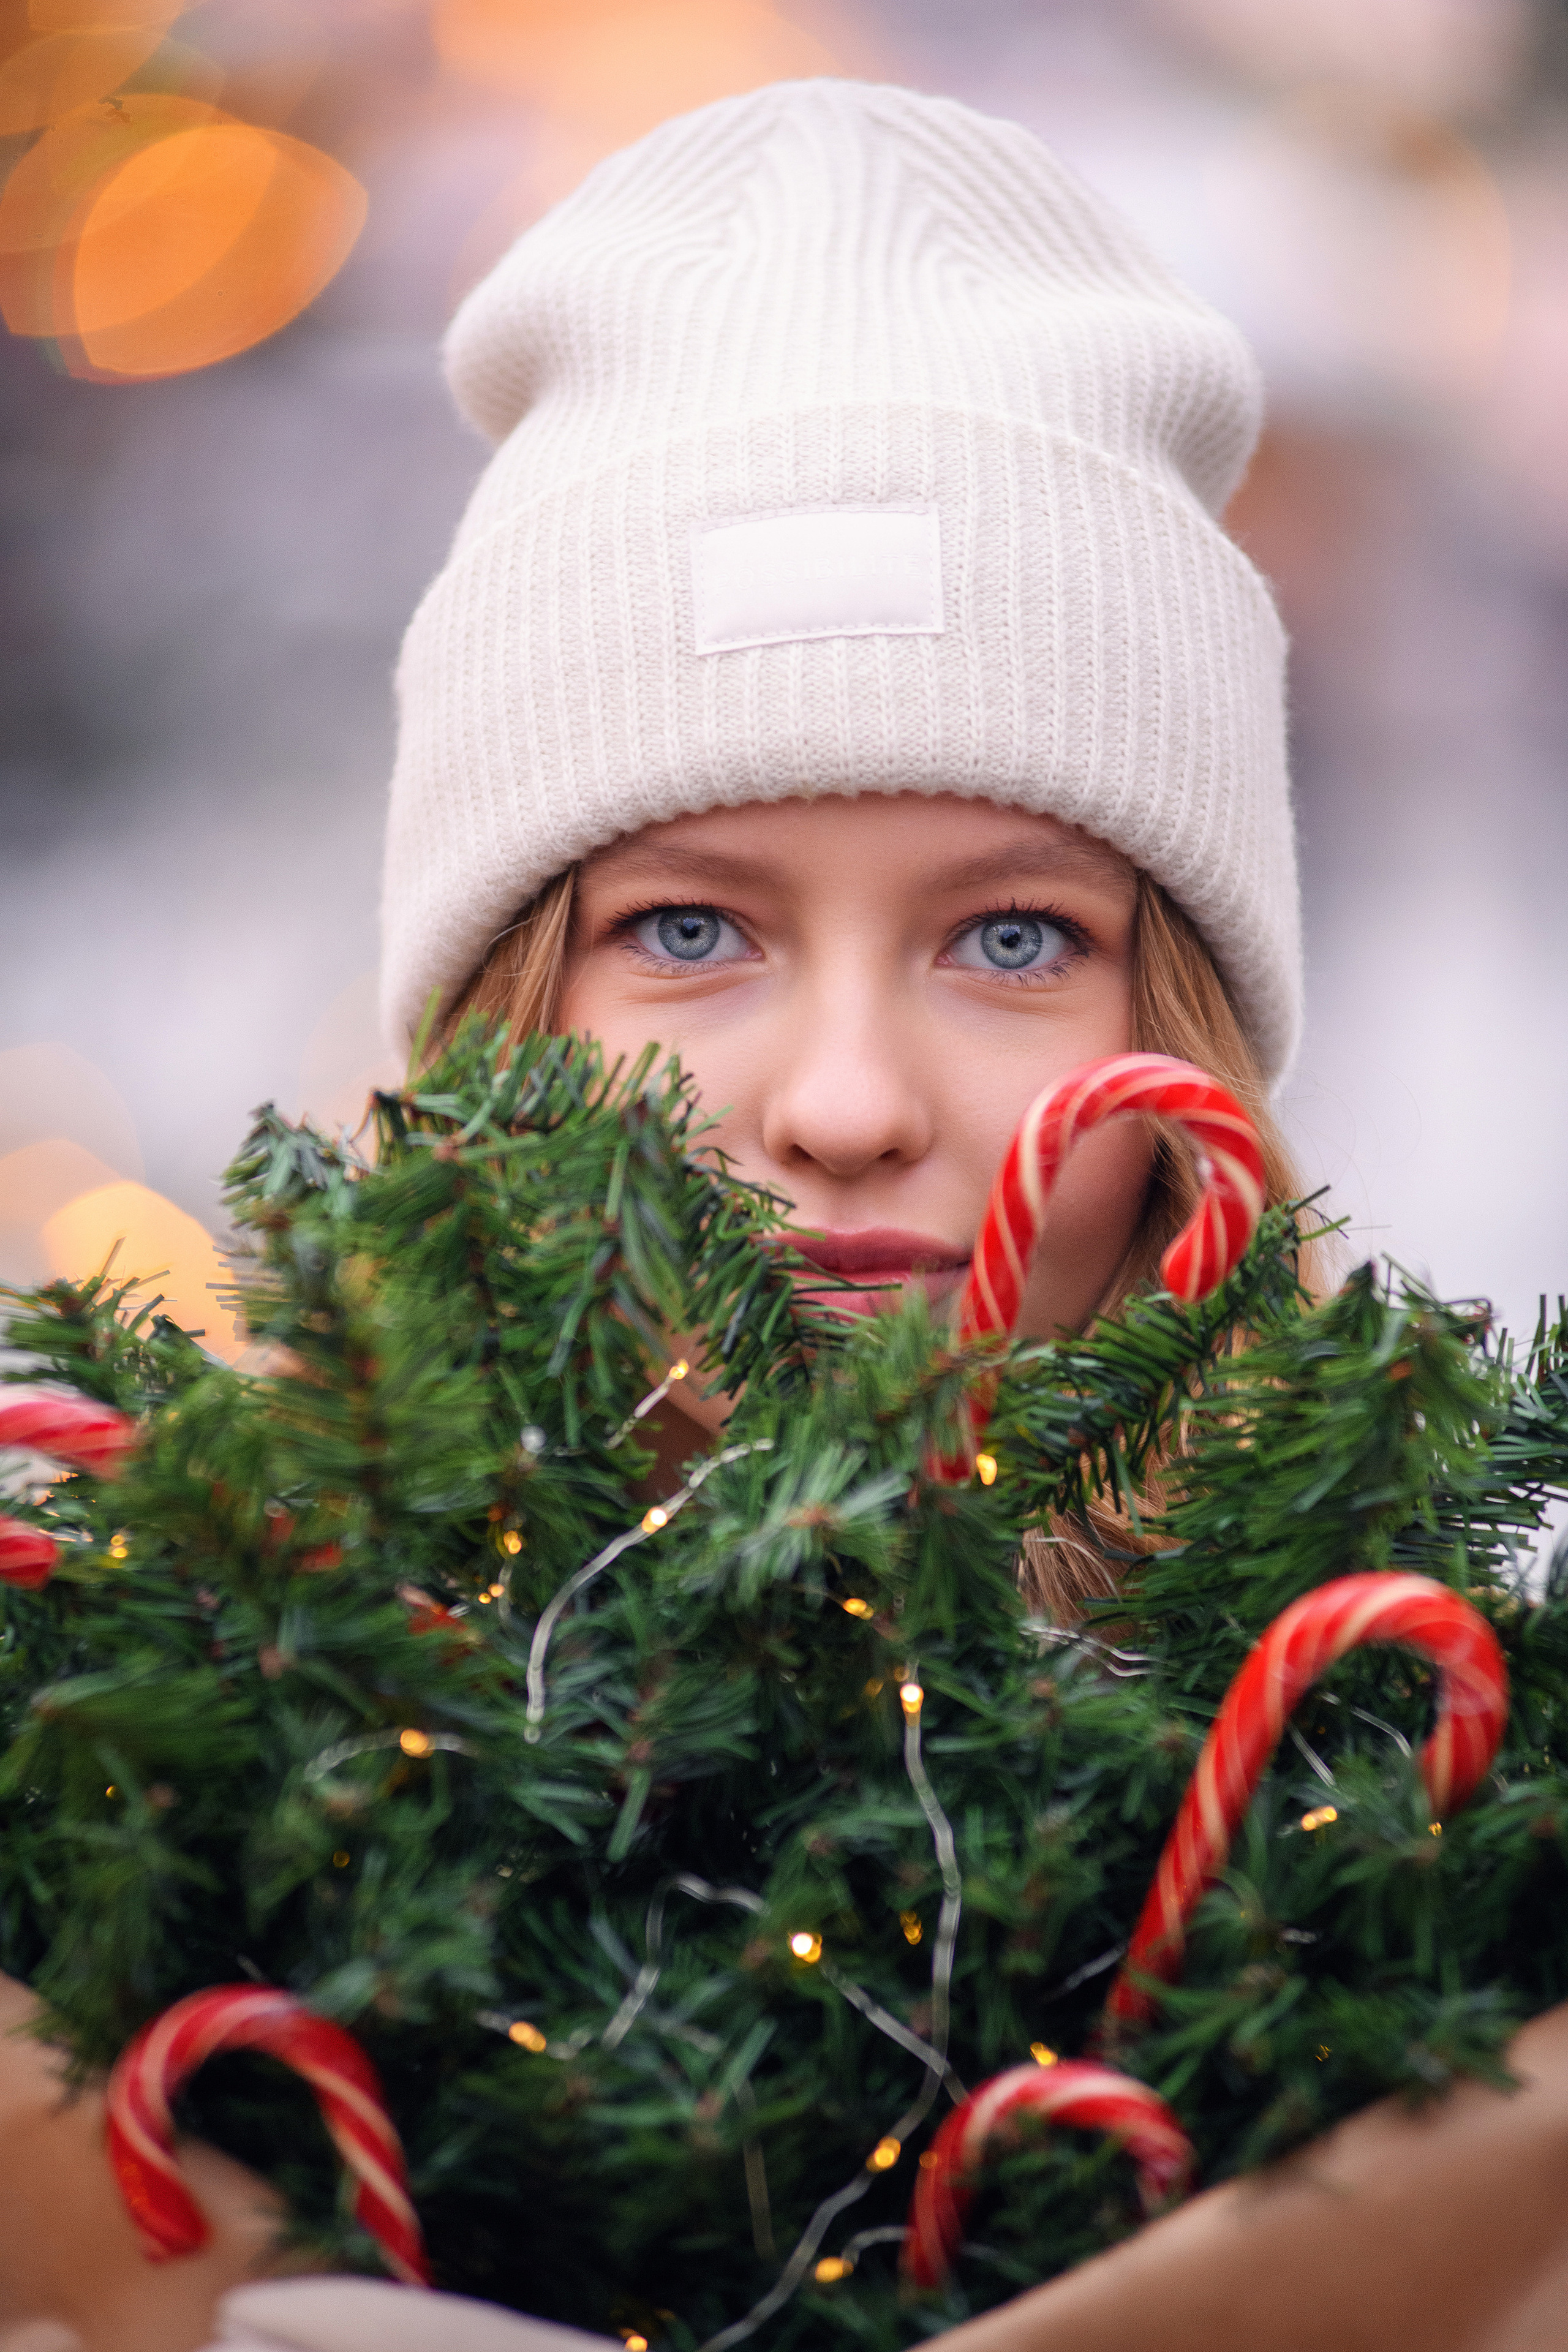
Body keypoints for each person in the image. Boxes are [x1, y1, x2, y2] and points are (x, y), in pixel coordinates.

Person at [3, 74, 1564, 2352]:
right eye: (695, 933)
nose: (844, 1104)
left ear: (1194, 1052)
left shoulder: (1440, 1844)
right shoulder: (154, 1792)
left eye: (1014, 936)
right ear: (500, 1021)